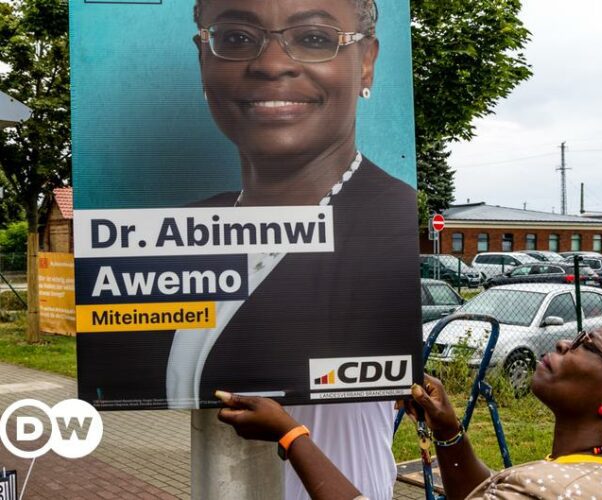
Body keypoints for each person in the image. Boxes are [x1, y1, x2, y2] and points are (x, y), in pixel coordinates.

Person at [78, 1, 418, 499]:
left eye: (315, 38)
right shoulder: (172, 235)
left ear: (365, 61)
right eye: (236, 38)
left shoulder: (383, 235)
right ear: (203, 60)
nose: (272, 63)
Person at [216, 323, 602, 499]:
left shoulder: (553, 489)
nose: (564, 344)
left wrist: (291, 436)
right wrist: (449, 431)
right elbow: (486, 492)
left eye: (587, 345)